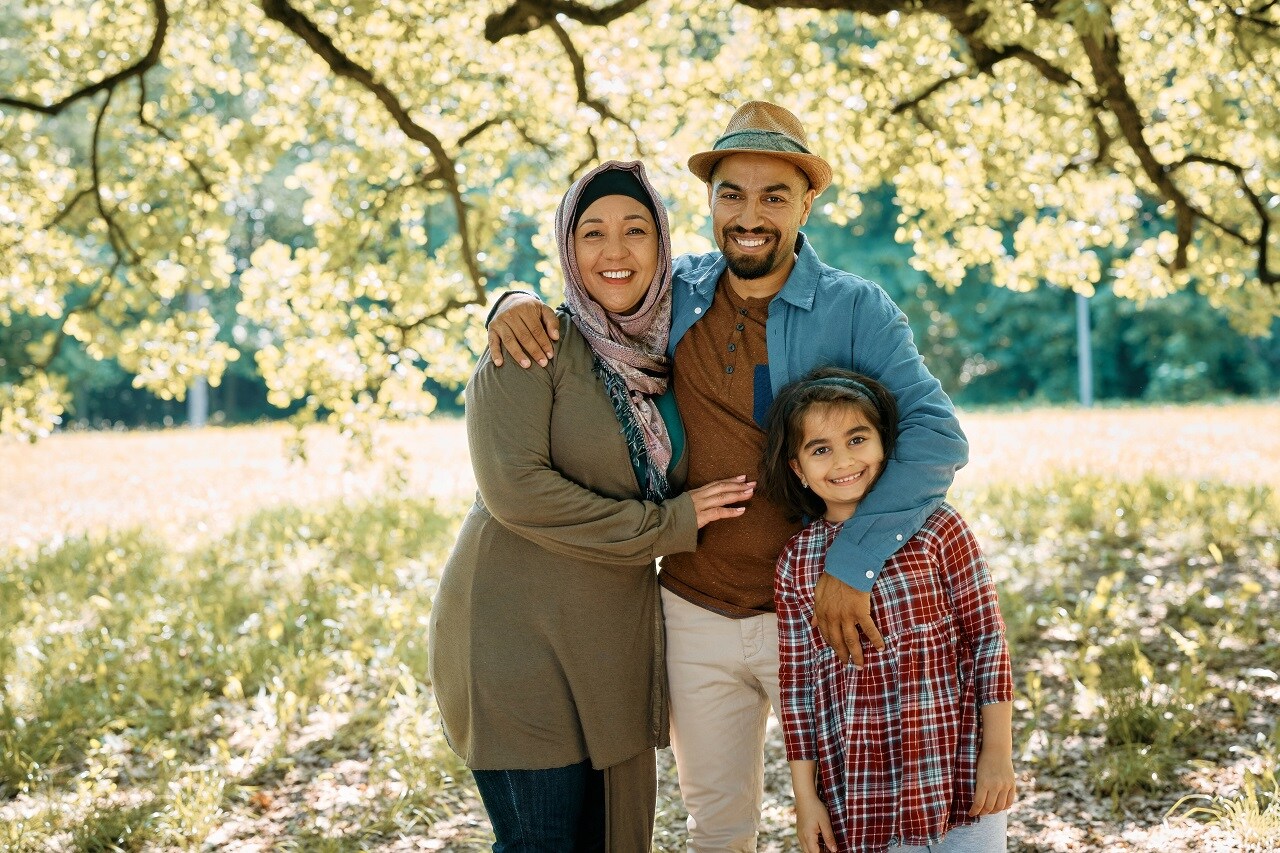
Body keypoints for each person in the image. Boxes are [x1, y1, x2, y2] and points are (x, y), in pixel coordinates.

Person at [486, 102, 969, 852]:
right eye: (731, 194)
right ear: (709, 203)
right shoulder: (674, 294)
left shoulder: (856, 308)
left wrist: (852, 563)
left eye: (774, 195)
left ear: (808, 202)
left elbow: (938, 436)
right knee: (718, 826)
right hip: (692, 610)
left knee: (845, 821)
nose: (750, 214)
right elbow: (594, 294)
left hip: (814, 611)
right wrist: (508, 299)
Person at [428, 161, 755, 852]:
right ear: (567, 250)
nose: (615, 251)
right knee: (543, 842)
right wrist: (670, 524)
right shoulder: (532, 343)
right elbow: (515, 489)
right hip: (514, 639)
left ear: (663, 245)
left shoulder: (672, 350)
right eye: (593, 232)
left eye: (636, 230)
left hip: (609, 647)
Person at [761, 368, 1015, 853]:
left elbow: (987, 639)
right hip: (860, 794)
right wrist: (805, 798)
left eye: (858, 439)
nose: (843, 461)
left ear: (884, 444)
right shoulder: (797, 561)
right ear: (797, 468)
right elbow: (797, 691)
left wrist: (998, 753)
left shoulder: (938, 528)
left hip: (959, 776)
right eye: (820, 449)